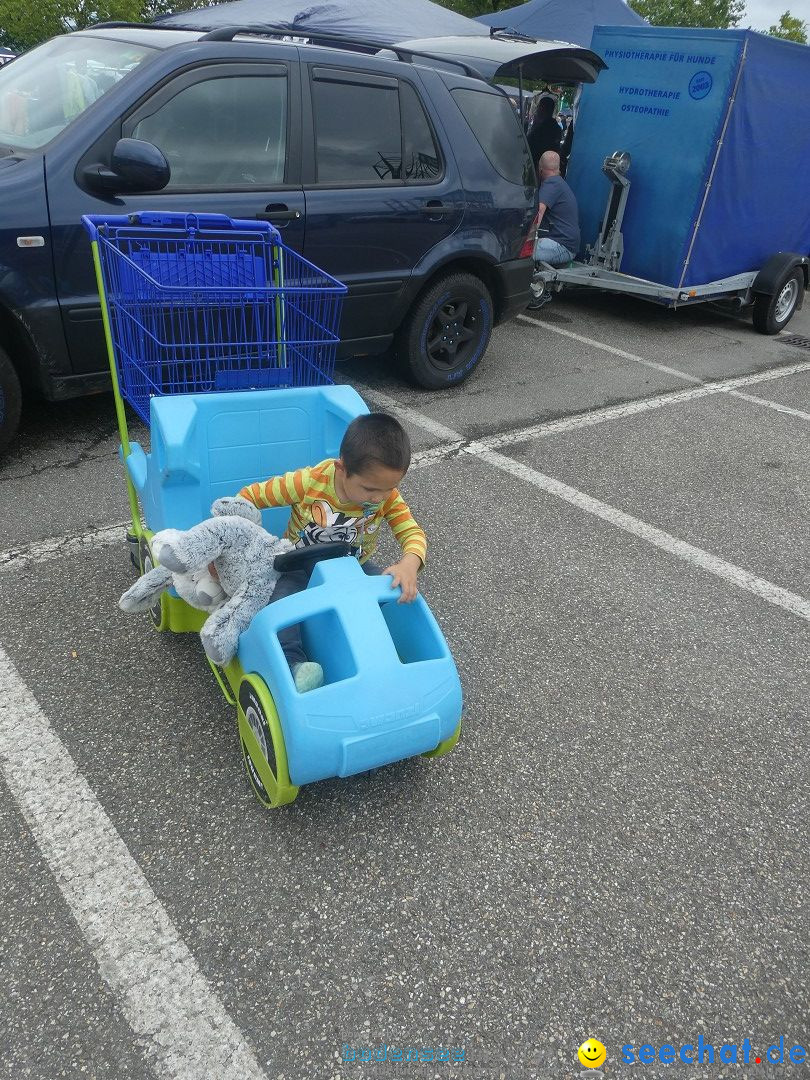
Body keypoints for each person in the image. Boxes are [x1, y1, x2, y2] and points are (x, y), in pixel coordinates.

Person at [236, 413, 427, 692]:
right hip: (299, 566)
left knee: (393, 594)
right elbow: (248, 497)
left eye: (389, 489)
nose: (378, 498)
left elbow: (412, 532)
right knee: (278, 605)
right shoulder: (308, 483)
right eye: (370, 489)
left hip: (353, 566)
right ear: (342, 468)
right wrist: (242, 543)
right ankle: (293, 666)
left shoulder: (386, 496)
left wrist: (410, 563)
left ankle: (388, 657)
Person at [527, 150, 581, 311]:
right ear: (558, 167)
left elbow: (539, 212)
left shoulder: (551, 185)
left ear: (540, 169)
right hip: (566, 242)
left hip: (562, 245)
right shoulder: (560, 183)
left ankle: (540, 292)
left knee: (521, 251)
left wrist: (524, 238)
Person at [526, 96, 562, 176]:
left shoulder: (541, 129)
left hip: (538, 168)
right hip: (551, 167)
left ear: (542, 109)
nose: (537, 110)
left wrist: (535, 125)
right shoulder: (557, 128)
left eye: (539, 107)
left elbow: (529, 145)